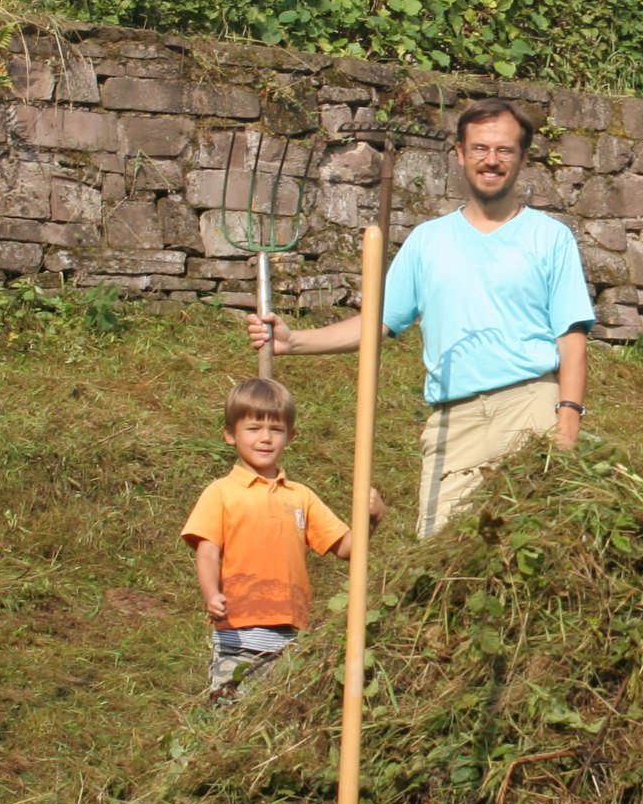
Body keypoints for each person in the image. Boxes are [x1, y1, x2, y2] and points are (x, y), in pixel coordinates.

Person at [254, 97, 595, 536]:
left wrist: (566, 426)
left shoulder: (551, 238)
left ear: (522, 158)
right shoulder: (427, 241)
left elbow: (572, 341)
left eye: (505, 150)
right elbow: (378, 321)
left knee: (529, 547)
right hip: (454, 419)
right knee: (443, 553)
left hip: (529, 408)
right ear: (459, 153)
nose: (491, 160)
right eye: (480, 148)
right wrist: (293, 341)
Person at [183, 377, 383, 704]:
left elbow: (346, 548)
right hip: (238, 632)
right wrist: (211, 593)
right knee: (232, 716)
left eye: (275, 430)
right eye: (253, 429)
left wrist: (369, 520)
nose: (265, 438)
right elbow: (207, 551)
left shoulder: (300, 496)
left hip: (289, 637)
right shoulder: (221, 492)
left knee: (277, 717)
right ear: (230, 434)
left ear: (290, 436)